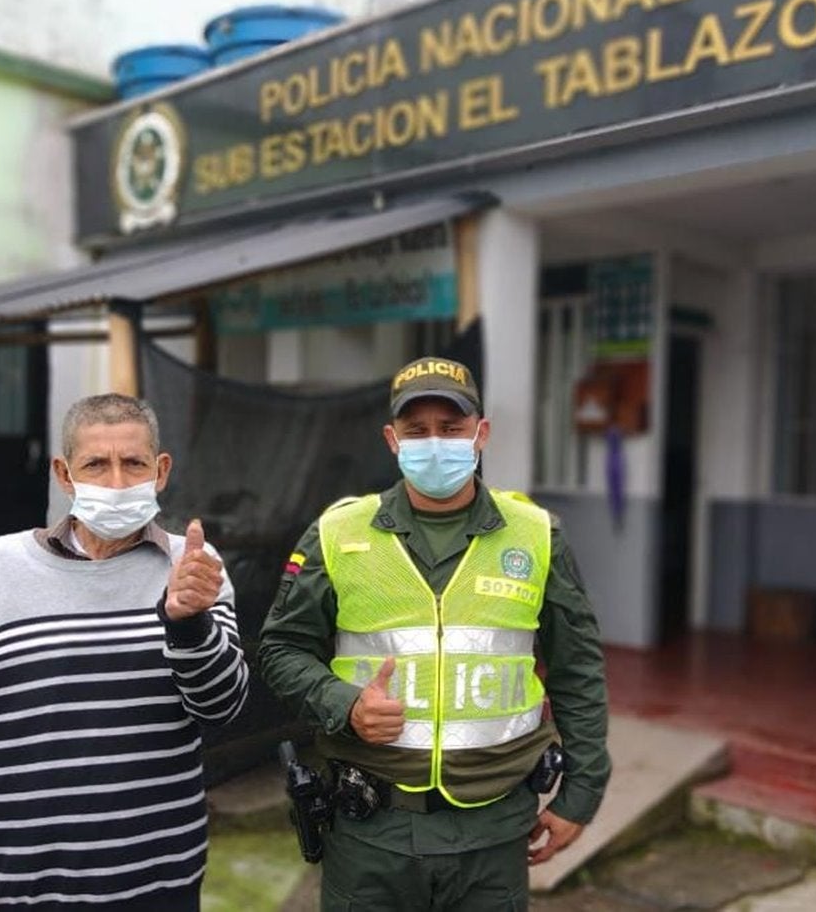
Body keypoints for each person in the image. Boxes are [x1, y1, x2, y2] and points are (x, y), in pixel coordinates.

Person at [258, 356, 611, 910]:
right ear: (392, 439)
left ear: (481, 433)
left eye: (451, 428)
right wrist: (343, 704)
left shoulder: (537, 535)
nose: (435, 442)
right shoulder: (338, 532)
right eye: (416, 430)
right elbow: (281, 647)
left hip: (494, 830)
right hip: (372, 830)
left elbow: (578, 669)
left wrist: (581, 794)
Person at [0, 393, 248, 911]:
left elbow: (222, 708)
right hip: (20, 884)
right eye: (96, 464)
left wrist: (187, 623)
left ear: (160, 471)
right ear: (64, 475)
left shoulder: (193, 567)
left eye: (133, 463)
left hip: (158, 883)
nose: (116, 482)